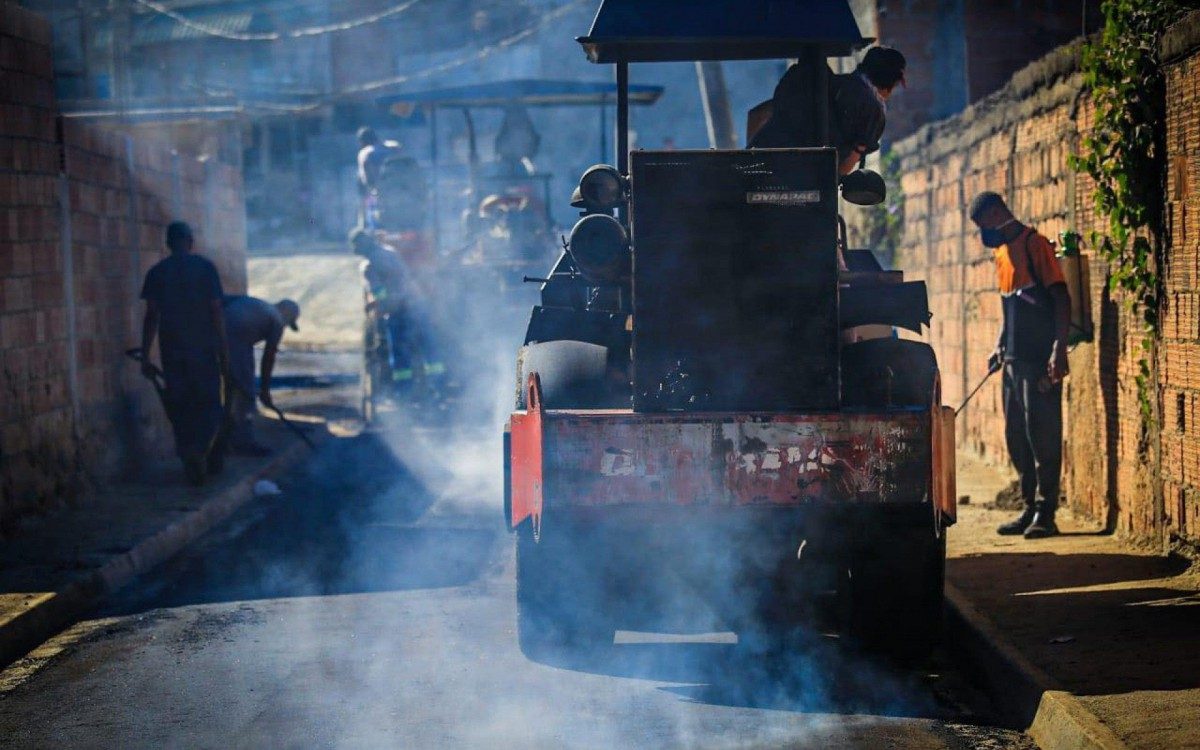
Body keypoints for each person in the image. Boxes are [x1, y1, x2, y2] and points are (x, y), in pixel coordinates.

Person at [969, 191, 1071, 539]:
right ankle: (1028, 507)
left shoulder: (1034, 244)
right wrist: (1000, 346)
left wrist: (1059, 350)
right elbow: (1009, 307)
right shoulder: (1001, 254)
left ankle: (1047, 512)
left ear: (998, 213)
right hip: (1012, 362)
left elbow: (1060, 296)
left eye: (985, 225)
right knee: (1017, 437)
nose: (985, 234)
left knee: (1043, 436)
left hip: (1039, 360)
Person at [140, 221, 229, 485]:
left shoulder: (157, 272)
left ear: (168, 243)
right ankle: (204, 453)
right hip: (203, 352)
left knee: (180, 407)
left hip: (174, 354)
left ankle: (191, 454)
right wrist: (225, 353)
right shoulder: (205, 268)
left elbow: (151, 316)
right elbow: (216, 312)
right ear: (190, 242)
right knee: (208, 404)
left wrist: (146, 355)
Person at [750, 46, 907, 175]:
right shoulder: (873, 111)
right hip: (802, 183)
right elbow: (844, 168)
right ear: (892, 83)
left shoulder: (825, 83)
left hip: (757, 170)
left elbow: (757, 115)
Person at [222, 295, 300, 456]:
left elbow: (224, 299)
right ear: (287, 314)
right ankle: (244, 444)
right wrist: (264, 391)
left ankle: (225, 440)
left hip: (213, 334)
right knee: (247, 395)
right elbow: (268, 357)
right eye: (289, 321)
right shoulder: (277, 320)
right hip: (235, 341)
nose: (285, 326)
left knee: (230, 391)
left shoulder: (259, 305)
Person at [356, 126, 402, 229]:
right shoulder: (395, 147)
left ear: (362, 142)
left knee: (371, 225)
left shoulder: (365, 153)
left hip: (378, 197)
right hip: (404, 194)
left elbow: (366, 180)